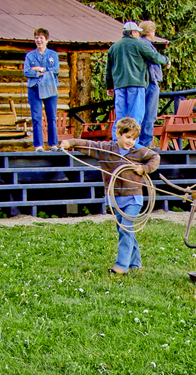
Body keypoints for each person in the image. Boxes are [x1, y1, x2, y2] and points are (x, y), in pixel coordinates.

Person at [60, 117, 160, 274]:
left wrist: (144, 168)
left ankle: (121, 266)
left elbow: (155, 157)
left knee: (126, 229)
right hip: (114, 198)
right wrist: (70, 143)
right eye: (128, 137)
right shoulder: (106, 150)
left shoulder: (138, 152)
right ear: (118, 133)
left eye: (134, 138)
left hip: (134, 197)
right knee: (124, 229)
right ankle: (135, 263)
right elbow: (88, 145)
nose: (131, 141)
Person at [105, 22, 170, 142]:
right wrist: (166, 60)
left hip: (119, 87)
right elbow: (154, 56)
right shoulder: (138, 44)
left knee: (120, 116)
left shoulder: (114, 47)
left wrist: (109, 86)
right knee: (136, 116)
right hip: (136, 85)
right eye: (137, 32)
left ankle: (116, 141)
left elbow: (108, 69)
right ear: (133, 32)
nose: (139, 34)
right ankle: (134, 143)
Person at [23, 28, 60, 152]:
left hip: (50, 87)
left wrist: (39, 68)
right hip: (34, 88)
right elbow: (26, 71)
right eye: (36, 38)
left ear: (46, 40)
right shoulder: (30, 55)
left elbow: (55, 70)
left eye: (41, 38)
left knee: (51, 117)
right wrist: (38, 73)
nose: (38, 40)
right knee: (36, 117)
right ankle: (38, 145)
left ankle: (53, 144)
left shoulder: (52, 54)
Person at [138, 20, 171, 148]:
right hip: (150, 82)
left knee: (142, 112)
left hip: (143, 82)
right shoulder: (145, 44)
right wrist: (166, 61)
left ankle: (142, 141)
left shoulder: (140, 43)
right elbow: (154, 57)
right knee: (149, 114)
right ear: (151, 32)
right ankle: (145, 142)